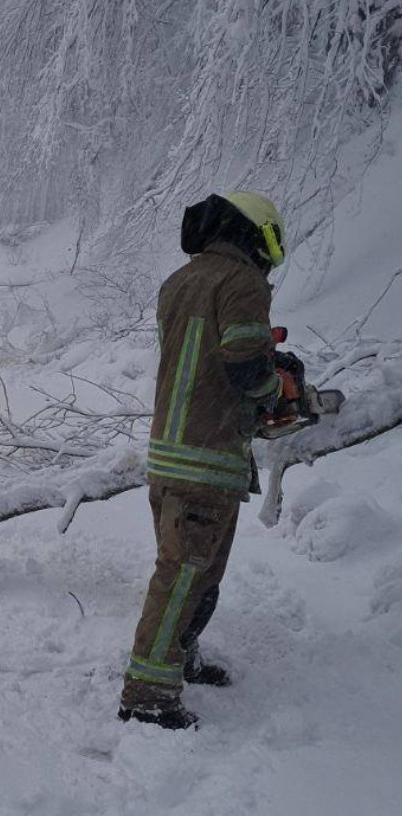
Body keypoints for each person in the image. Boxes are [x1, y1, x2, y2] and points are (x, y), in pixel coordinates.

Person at [118, 190, 287, 730]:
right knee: (183, 575)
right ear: (258, 236)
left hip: (170, 454)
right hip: (205, 459)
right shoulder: (242, 283)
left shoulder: (180, 280)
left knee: (197, 572)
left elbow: (208, 362)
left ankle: (180, 657)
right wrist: (275, 388)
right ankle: (147, 694)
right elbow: (243, 366)